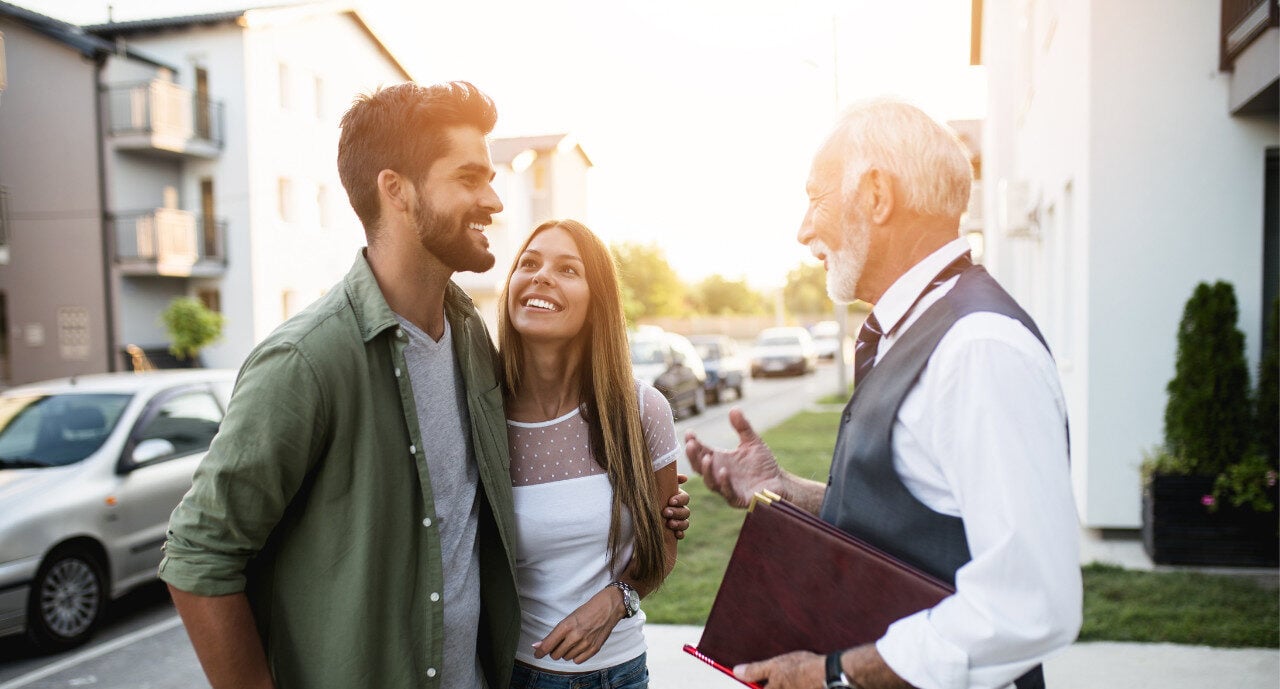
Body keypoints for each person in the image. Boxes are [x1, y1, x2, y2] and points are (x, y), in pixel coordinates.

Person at [158, 82, 689, 689]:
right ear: (398, 191)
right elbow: (199, 556)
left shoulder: (469, 341)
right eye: (469, 178)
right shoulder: (306, 361)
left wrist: (651, 516)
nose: (493, 200)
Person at [685, 99, 1082, 689]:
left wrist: (835, 675)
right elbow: (919, 522)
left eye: (815, 198)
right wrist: (787, 493)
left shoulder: (979, 349)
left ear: (875, 195)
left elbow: (1028, 603)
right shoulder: (911, 331)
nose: (803, 230)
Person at [497, 219, 680, 689]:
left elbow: (663, 543)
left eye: (567, 269)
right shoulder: (483, 412)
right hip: (516, 675)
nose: (540, 276)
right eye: (529, 263)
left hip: (621, 675)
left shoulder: (641, 410)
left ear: (596, 300)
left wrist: (618, 598)